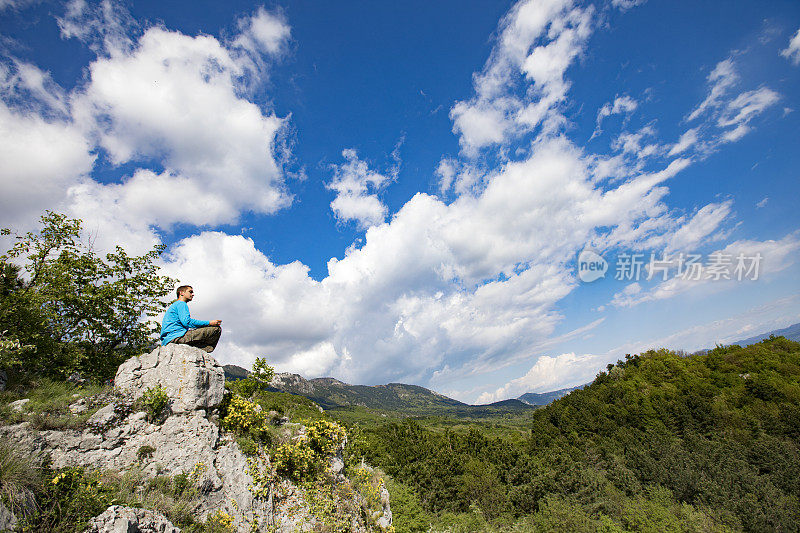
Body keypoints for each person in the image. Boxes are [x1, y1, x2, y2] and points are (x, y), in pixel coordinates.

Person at [160, 285, 222, 352]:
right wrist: (209, 323)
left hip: (168, 340)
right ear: (182, 293)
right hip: (177, 338)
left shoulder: (174, 305)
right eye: (190, 292)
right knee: (216, 329)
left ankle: (194, 350)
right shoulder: (181, 304)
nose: (192, 294)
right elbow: (187, 322)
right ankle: (200, 351)